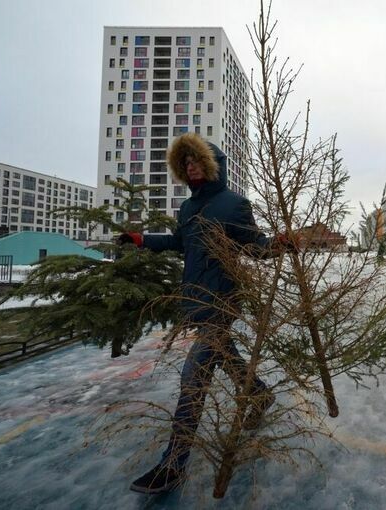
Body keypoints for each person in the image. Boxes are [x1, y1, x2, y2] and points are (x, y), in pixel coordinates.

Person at [122, 133, 279, 494]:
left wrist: (279, 245)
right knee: (226, 357)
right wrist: (143, 240)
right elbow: (180, 243)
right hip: (196, 300)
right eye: (185, 162)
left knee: (194, 376)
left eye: (196, 160)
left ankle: (173, 464)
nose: (190, 166)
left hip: (222, 302)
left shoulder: (235, 204)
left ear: (211, 165)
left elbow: (254, 247)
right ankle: (259, 392)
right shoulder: (188, 209)